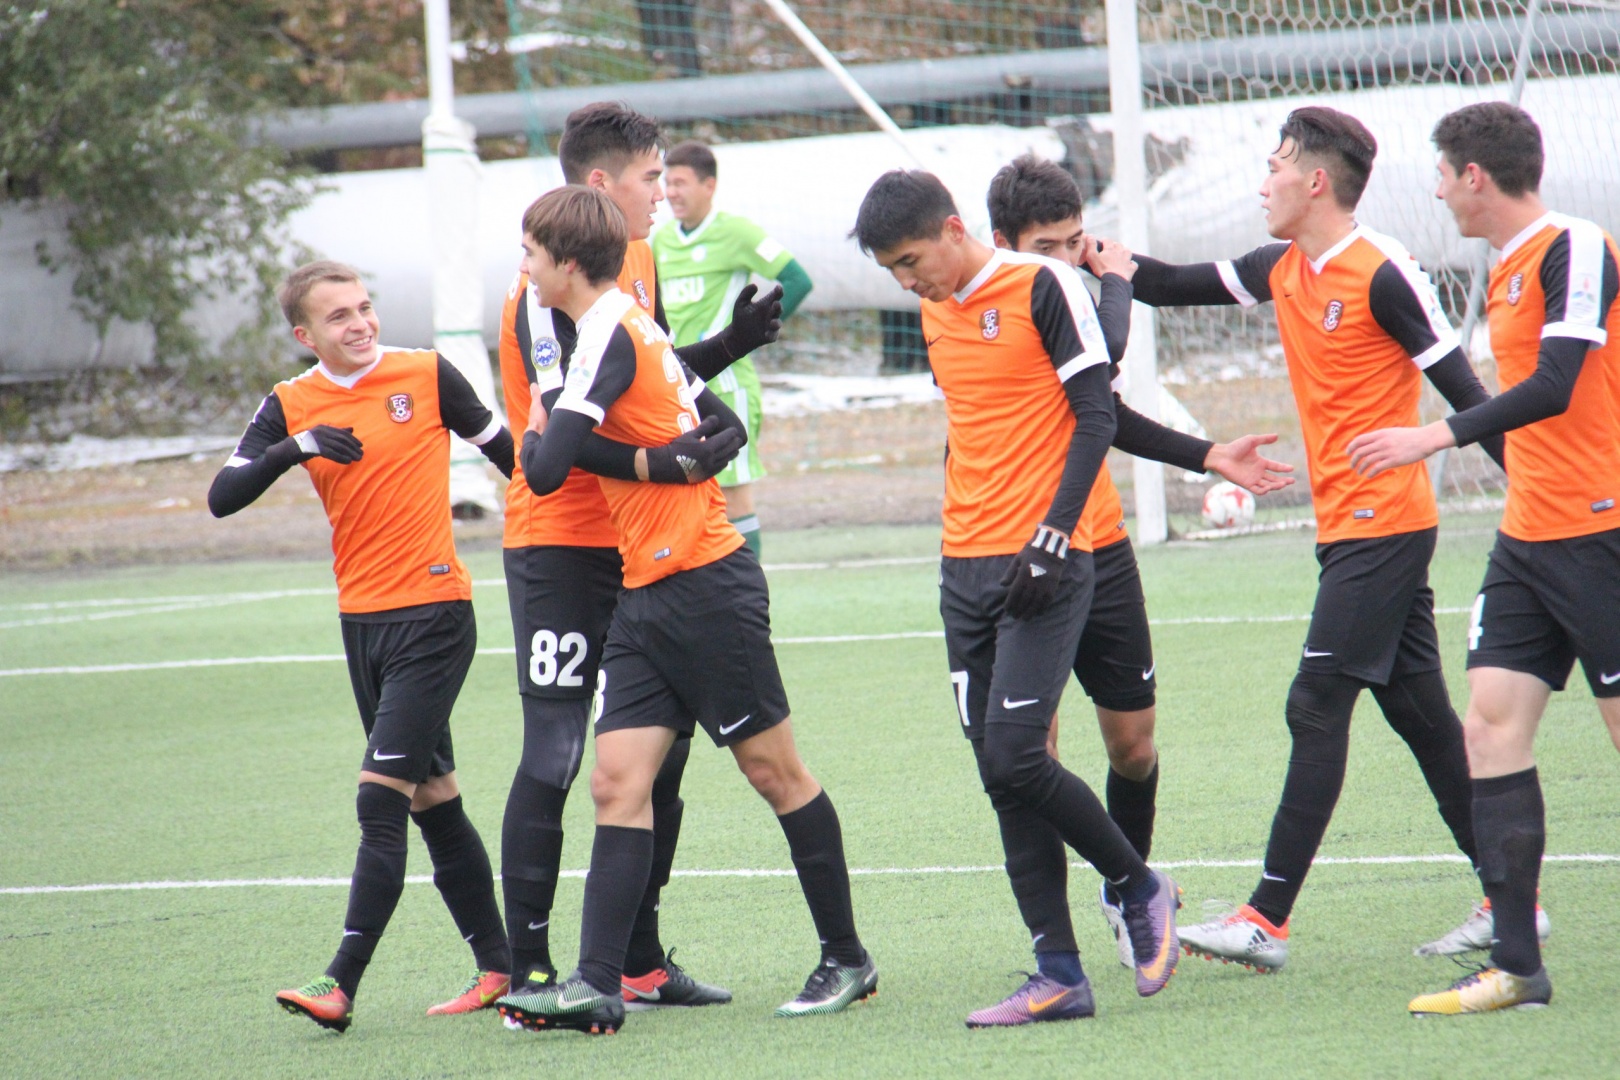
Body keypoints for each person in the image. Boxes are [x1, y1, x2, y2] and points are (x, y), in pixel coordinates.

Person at [1124, 105, 1529, 971]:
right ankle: (1511, 900)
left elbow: (1468, 393)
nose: (1261, 181)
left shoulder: (1383, 273)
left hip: (1388, 528)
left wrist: (1547, 506)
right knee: (1423, 719)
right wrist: (1089, 257)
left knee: (1313, 705)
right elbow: (1162, 283)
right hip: (1347, 532)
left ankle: (1265, 920)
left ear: (1314, 181)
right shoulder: (1279, 267)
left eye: (1273, 165)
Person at [496, 185, 874, 1035]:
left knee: (775, 773)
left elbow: (546, 469)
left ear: (566, 263)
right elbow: (702, 422)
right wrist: (654, 458)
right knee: (617, 783)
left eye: (531, 254)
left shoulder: (608, 333)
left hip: (705, 585)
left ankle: (848, 957)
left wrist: (541, 427)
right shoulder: (624, 324)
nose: (523, 268)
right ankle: (596, 984)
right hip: (646, 591)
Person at [854, 168, 1181, 1028]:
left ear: (953, 229)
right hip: (964, 568)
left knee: (1017, 757)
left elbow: (1098, 418)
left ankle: (1138, 884)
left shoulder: (1042, 285)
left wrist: (1053, 534)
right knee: (1001, 778)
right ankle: (1059, 974)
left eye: (911, 260)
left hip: (1046, 562)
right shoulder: (935, 312)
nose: (907, 281)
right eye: (892, 270)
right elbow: (976, 427)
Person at [495, 102, 780, 1014]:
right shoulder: (537, 294)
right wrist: (665, 463)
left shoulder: (638, 261)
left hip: (637, 544)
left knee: (660, 756)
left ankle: (636, 961)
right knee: (556, 752)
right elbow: (560, 435)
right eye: (652, 177)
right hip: (559, 545)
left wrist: (729, 352)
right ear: (600, 185)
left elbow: (641, 369)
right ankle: (527, 971)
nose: (665, 192)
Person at [987, 153, 1296, 969]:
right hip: (1026, 553)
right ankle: (1066, 942)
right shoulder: (1005, 304)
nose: (1065, 261)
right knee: (1031, 754)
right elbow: (1111, 347)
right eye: (1045, 247)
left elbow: (1104, 412)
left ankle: (1125, 891)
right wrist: (1118, 280)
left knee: (1134, 743)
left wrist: (1208, 455)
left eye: (1074, 243)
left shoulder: (1058, 298)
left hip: (1101, 546)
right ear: (1001, 245)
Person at [1345, 102, 1619, 1015]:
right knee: (1489, 731)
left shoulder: (1575, 247)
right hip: (1529, 539)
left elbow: (1558, 382)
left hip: (1604, 532)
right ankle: (1516, 966)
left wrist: (1435, 436)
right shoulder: (1503, 267)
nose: (1436, 192)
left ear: (1474, 175)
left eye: (1441, 173)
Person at [208, 261, 515, 1032]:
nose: (361, 323)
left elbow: (515, 458)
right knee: (434, 799)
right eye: (339, 315)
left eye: (365, 307)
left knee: (379, 800)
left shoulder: (426, 375)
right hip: (363, 624)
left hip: (435, 614)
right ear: (305, 334)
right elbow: (223, 496)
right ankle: (499, 969)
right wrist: (296, 447)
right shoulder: (291, 402)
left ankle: (339, 983)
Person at [652, 139, 816, 556]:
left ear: (709, 186)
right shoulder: (661, 240)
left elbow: (797, 279)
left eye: (681, 183)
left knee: (733, 496)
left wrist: (754, 334)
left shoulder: (736, 232)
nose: (671, 192)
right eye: (668, 183)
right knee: (691, 492)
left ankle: (748, 588)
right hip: (678, 384)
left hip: (728, 386)